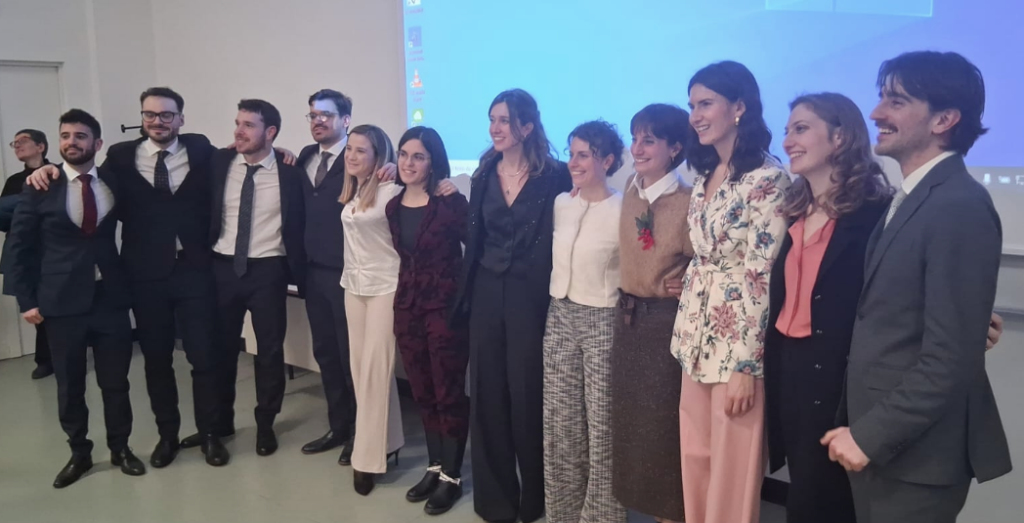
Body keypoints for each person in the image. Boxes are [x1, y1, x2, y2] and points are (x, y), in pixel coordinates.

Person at [823, 50, 1012, 523]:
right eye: (881, 98)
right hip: (890, 450)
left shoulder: (958, 206)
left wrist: (870, 436)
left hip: (915, 459)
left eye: (896, 101)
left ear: (944, 120)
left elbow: (950, 359)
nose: (876, 113)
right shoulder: (913, 198)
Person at [764, 92, 893, 523]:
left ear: (840, 138)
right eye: (787, 131)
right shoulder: (795, 210)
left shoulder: (876, 214)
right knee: (805, 489)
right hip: (790, 367)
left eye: (801, 129)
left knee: (827, 499)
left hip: (839, 375)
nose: (787, 141)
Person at [673, 60, 792, 523]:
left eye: (706, 104)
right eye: (692, 106)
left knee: (732, 472)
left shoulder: (768, 179)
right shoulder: (706, 175)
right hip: (694, 339)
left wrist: (747, 366)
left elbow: (762, 276)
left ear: (739, 106)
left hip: (737, 344)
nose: (696, 116)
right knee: (696, 459)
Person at [6, 109, 146, 487]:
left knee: (116, 382)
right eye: (65, 135)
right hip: (61, 302)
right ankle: (79, 453)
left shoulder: (113, 181)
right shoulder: (40, 186)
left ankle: (120, 448)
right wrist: (26, 300)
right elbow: (19, 247)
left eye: (80, 136)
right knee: (70, 386)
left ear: (96, 143)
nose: (71, 142)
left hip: (109, 298)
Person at [450, 89, 571, 523]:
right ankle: (495, 501)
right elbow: (475, 236)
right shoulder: (483, 173)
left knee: (528, 395)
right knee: (487, 395)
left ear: (527, 126)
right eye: (492, 119)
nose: (495, 128)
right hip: (486, 291)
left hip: (531, 297)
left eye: (504, 120)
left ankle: (535, 499)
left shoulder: (556, 175)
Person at [210, 99, 307, 458]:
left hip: (268, 271)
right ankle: (220, 422)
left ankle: (266, 423)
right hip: (222, 268)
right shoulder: (219, 162)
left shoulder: (290, 173)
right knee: (220, 349)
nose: (239, 131)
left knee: (269, 352)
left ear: (271, 132)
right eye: (238, 123)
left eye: (249, 125)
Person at [611, 103, 693, 523]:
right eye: (635, 139)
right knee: (630, 423)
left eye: (649, 140)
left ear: (674, 148)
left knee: (662, 427)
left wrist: (689, 278)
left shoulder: (688, 201)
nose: (637, 149)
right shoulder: (630, 186)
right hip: (627, 319)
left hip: (664, 324)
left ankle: (670, 515)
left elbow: (709, 258)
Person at [543, 120, 626, 523]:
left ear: (607, 161)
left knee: (602, 428)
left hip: (603, 320)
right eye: (571, 153)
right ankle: (563, 513)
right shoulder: (562, 203)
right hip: (560, 315)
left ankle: (601, 517)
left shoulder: (623, 209)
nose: (573, 163)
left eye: (583, 155)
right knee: (561, 423)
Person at [385, 126, 469, 515]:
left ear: (433, 161)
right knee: (422, 390)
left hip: (445, 310)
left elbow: (473, 249)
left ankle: (452, 475)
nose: (408, 163)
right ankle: (435, 466)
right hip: (408, 309)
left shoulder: (450, 202)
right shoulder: (393, 206)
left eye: (418, 156)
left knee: (448, 392)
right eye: (403, 154)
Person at [338, 124, 405, 495]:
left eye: (361, 150)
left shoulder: (392, 191)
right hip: (354, 286)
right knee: (360, 369)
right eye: (350, 148)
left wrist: (399, 173)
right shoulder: (354, 191)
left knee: (375, 373)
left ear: (379, 156)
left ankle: (365, 460)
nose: (351, 155)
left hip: (385, 288)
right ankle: (390, 441)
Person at [295, 89, 359, 463]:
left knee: (352, 358)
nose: (318, 121)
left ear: (345, 120)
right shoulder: (305, 156)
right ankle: (339, 427)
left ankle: (362, 435)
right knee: (327, 355)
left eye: (326, 115)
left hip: (348, 275)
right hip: (313, 274)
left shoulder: (360, 158)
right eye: (313, 115)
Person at [1, 129, 53, 379]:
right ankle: (45, 359)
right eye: (15, 143)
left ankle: (57, 355)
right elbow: (4, 220)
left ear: (40, 146)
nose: (17, 146)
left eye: (23, 141)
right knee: (35, 305)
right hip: (25, 251)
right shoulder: (14, 180)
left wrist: (23, 207)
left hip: (52, 249)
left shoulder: (57, 173)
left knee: (54, 302)